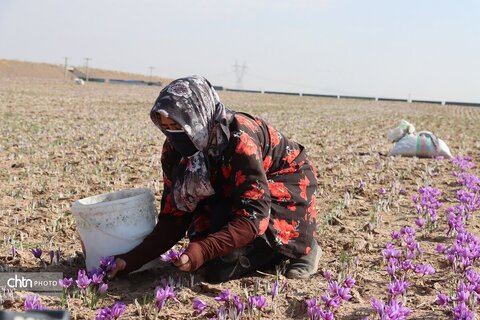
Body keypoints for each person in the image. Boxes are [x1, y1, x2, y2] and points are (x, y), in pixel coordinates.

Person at [108, 76, 321, 283]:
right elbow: (174, 217)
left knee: (220, 266)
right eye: (166, 126)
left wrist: (204, 250)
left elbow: (253, 215)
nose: (173, 133)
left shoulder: (238, 140)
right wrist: (130, 261)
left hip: (284, 188)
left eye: (177, 123)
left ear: (196, 115)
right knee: (211, 249)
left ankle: (300, 247)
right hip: (232, 189)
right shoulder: (175, 150)